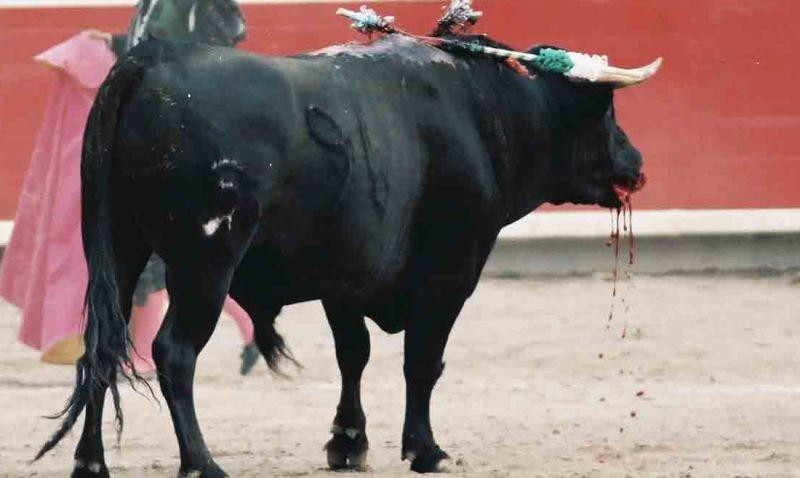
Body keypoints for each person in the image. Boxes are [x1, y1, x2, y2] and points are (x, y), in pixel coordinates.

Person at [0, 0, 261, 375]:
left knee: (158, 250)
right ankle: (247, 323)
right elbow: (148, 44)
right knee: (178, 253)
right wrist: (111, 40)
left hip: (184, 135)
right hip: (162, 128)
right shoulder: (161, 3)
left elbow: (204, 53)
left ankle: (142, 353)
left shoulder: (193, 5)